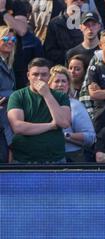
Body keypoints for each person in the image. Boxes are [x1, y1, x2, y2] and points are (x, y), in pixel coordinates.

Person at [7, 57, 71, 164]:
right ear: (28, 76)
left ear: (49, 77)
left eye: (44, 74)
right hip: (23, 159)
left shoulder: (61, 96)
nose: (39, 78)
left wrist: (47, 94)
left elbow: (64, 122)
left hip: (55, 159)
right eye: (35, 74)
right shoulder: (17, 96)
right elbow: (18, 127)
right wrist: (51, 125)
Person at [48, 65, 96, 162]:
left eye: (64, 81)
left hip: (72, 157)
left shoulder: (76, 106)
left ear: (68, 84)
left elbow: (90, 137)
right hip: (46, 157)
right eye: (56, 81)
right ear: (49, 84)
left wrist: (66, 136)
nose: (60, 85)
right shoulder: (42, 103)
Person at [43, 0, 86, 66]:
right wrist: (71, 54)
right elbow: (49, 52)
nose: (79, 1)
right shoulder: (55, 23)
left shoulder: (89, 22)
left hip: (85, 66)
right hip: (62, 68)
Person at [0, 25, 15, 163]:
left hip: (6, 117)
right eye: (5, 38)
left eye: (13, 39)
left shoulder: (9, 65)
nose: (10, 42)